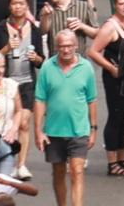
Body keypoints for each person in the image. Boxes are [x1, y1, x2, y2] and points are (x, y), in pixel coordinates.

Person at [32, 24, 100, 206]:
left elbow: (92, 100)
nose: (66, 49)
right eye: (62, 46)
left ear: (76, 46)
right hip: (54, 130)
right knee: (59, 172)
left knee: (77, 171)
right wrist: (38, 130)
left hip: (79, 130)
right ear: (56, 47)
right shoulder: (47, 67)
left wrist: (93, 129)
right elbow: (40, 99)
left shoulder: (86, 68)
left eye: (70, 45)